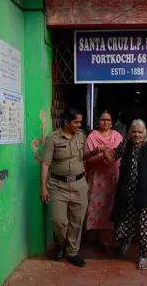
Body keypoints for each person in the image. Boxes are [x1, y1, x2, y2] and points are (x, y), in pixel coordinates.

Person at [40, 108, 106, 268]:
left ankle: (72, 253)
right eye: (76, 122)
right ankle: (62, 243)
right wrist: (43, 187)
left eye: (80, 122)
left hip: (79, 184)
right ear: (66, 122)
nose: (79, 125)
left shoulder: (81, 135)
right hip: (58, 185)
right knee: (59, 221)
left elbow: (81, 156)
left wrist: (93, 153)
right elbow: (46, 163)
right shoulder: (53, 138)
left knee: (77, 222)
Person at [104, 119, 147, 270]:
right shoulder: (125, 145)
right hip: (126, 192)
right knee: (125, 220)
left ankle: (143, 255)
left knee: (144, 223)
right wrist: (105, 153)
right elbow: (113, 160)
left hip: (145, 193)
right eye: (134, 131)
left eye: (140, 132)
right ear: (130, 133)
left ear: (145, 133)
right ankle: (125, 243)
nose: (137, 134)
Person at [84, 110, 123, 246]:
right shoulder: (92, 136)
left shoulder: (117, 136)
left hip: (112, 178)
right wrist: (103, 155)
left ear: (112, 123)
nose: (106, 122)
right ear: (97, 121)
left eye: (108, 120)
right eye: (103, 119)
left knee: (110, 207)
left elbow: (119, 155)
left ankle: (108, 241)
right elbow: (88, 159)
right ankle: (92, 238)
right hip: (97, 179)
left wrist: (108, 155)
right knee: (94, 207)